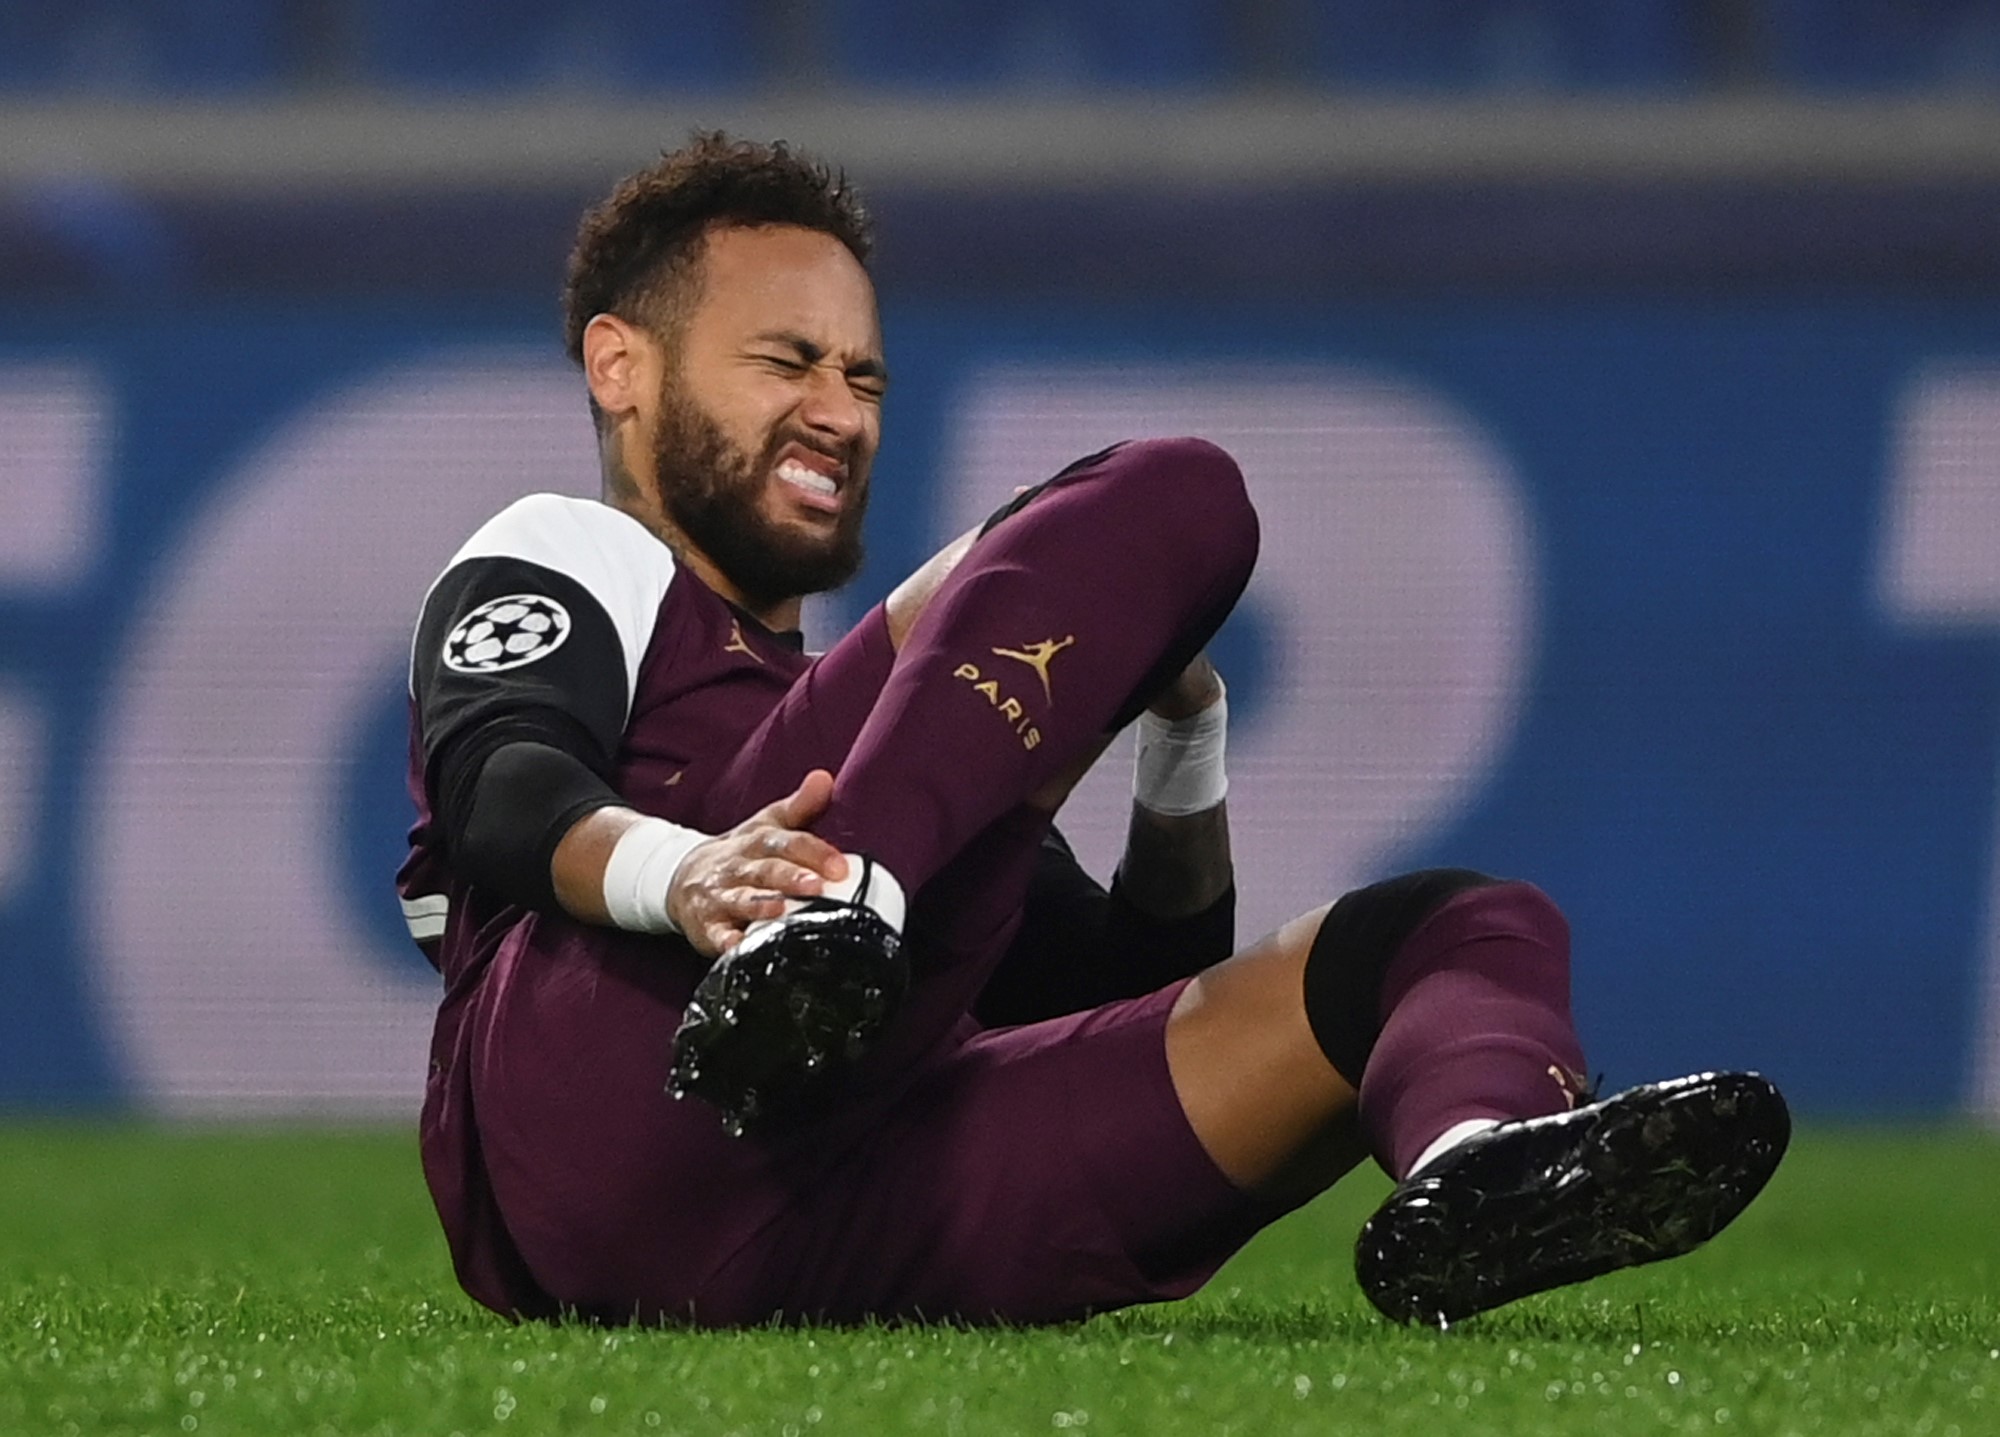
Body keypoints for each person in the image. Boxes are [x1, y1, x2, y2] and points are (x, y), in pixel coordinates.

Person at [397, 132, 1788, 1329]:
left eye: (865, 380)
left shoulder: (907, 751)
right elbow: (504, 786)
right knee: (1176, 493)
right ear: (621, 366)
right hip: (613, 1097)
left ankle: (1479, 1159)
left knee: (1463, 931)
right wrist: (694, 874)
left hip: (838, 1202)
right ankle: (823, 916)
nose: (838, 412)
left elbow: (1124, 994)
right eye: (787, 362)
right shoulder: (576, 551)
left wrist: (1182, 736)